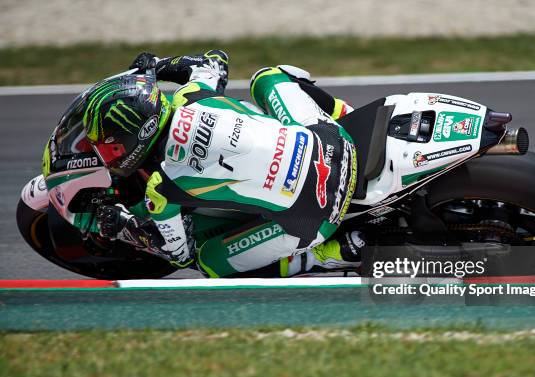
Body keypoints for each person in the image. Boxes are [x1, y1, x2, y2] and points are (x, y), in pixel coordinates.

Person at [85, 50, 365, 277]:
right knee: (268, 77)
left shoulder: (163, 185)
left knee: (208, 261)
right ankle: (350, 116)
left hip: (318, 215)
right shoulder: (192, 96)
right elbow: (213, 61)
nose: (110, 156)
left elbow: (178, 254)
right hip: (336, 140)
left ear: (141, 132)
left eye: (114, 147)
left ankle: (325, 257)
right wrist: (157, 66)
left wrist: (125, 225)